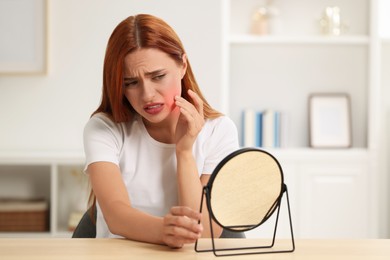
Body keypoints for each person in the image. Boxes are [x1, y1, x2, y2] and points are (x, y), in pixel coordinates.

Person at [83, 13, 239, 249]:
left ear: (182, 65)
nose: (147, 95)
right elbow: (115, 216)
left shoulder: (219, 131)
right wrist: (163, 231)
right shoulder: (105, 128)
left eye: (158, 76)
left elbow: (204, 234)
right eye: (130, 83)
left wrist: (184, 151)